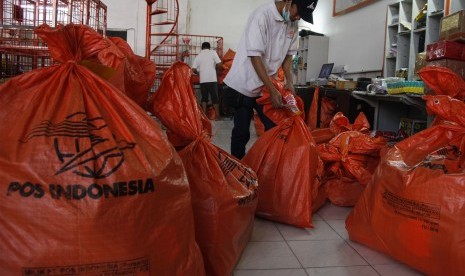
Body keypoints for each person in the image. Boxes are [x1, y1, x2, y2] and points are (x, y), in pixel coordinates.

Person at [223, 0, 318, 159]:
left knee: (274, 127)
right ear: (288, 1)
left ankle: (269, 166)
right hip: (245, 84)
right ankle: (237, 169)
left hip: (266, 87)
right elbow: (255, 56)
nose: (298, 17)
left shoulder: (292, 24)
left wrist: (289, 81)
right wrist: (273, 90)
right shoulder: (262, 16)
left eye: (302, 15)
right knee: (241, 132)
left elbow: (289, 55)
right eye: (298, 12)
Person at [192, 42, 223, 120]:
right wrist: (219, 71)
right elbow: (219, 64)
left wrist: (198, 73)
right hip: (212, 79)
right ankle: (217, 116)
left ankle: (204, 116)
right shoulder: (213, 53)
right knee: (215, 98)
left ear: (202, 48)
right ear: (209, 47)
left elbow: (193, 69)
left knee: (204, 98)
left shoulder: (199, 56)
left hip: (203, 80)